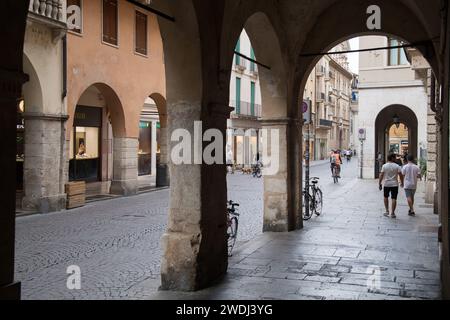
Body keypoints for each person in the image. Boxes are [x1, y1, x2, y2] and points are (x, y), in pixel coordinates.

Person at [379, 153, 404, 219]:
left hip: (387, 184)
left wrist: (380, 183)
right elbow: (400, 175)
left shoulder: (384, 166)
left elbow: (381, 175)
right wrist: (402, 182)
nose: (396, 158)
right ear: (392, 158)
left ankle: (387, 211)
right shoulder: (397, 166)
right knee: (394, 198)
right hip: (394, 184)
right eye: (395, 157)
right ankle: (392, 213)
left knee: (385, 197)